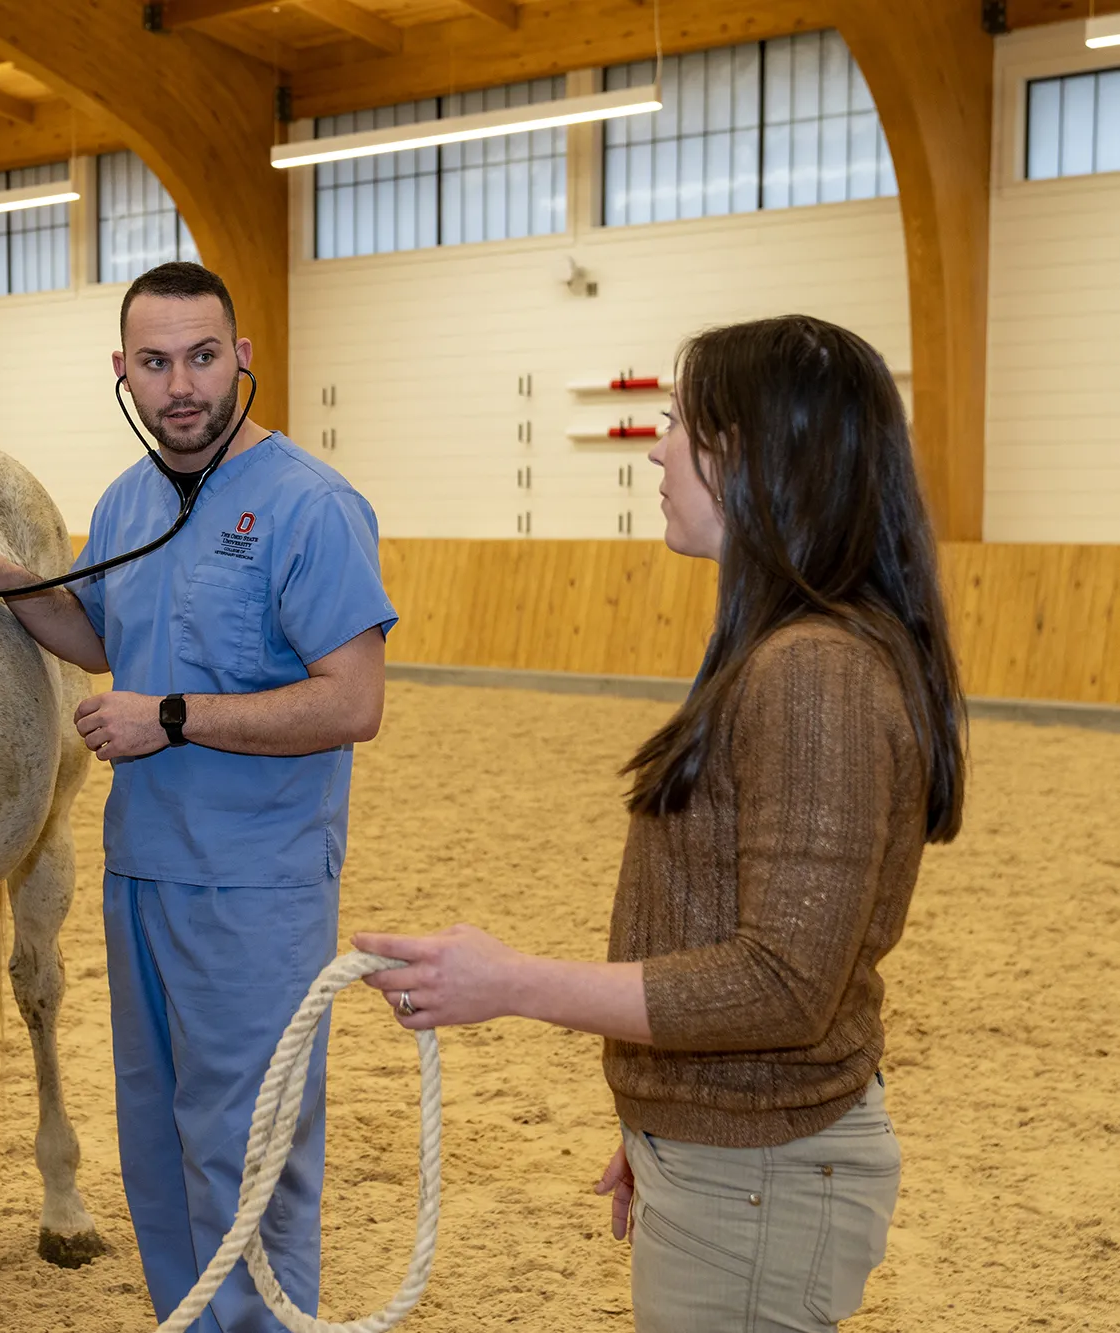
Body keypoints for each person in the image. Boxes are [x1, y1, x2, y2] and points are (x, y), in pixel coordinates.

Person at [353, 315, 965, 1332]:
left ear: (758, 456)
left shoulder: (813, 672)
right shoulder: (795, 655)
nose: (658, 445)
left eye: (681, 421)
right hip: (738, 1161)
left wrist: (507, 981)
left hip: (760, 1179)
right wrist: (666, 1123)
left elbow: (782, 983)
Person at [0, 261, 396, 1333]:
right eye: (158, 362)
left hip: (254, 886)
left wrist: (169, 716)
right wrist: (6, 582)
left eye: (204, 358)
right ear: (122, 370)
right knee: (161, 1144)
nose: (183, 386)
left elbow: (352, 701)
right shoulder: (128, 499)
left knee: (248, 1147)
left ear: (242, 358)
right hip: (142, 876)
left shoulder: (311, 506)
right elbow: (99, 634)